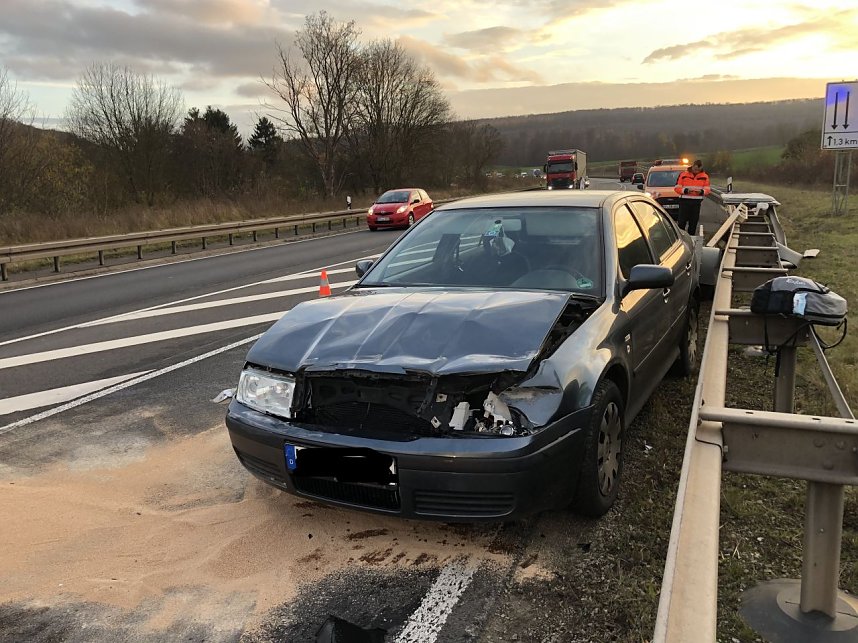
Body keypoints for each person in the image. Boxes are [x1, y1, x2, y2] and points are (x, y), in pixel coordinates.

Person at [674, 159, 710, 234]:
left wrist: (702, 192)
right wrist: (685, 191)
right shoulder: (683, 175)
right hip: (684, 202)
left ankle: (691, 239)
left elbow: (707, 189)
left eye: (698, 170)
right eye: (695, 169)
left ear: (701, 168)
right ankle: (681, 238)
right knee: (681, 223)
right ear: (692, 166)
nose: (696, 171)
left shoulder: (705, 176)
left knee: (693, 223)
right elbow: (677, 188)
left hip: (696, 203)